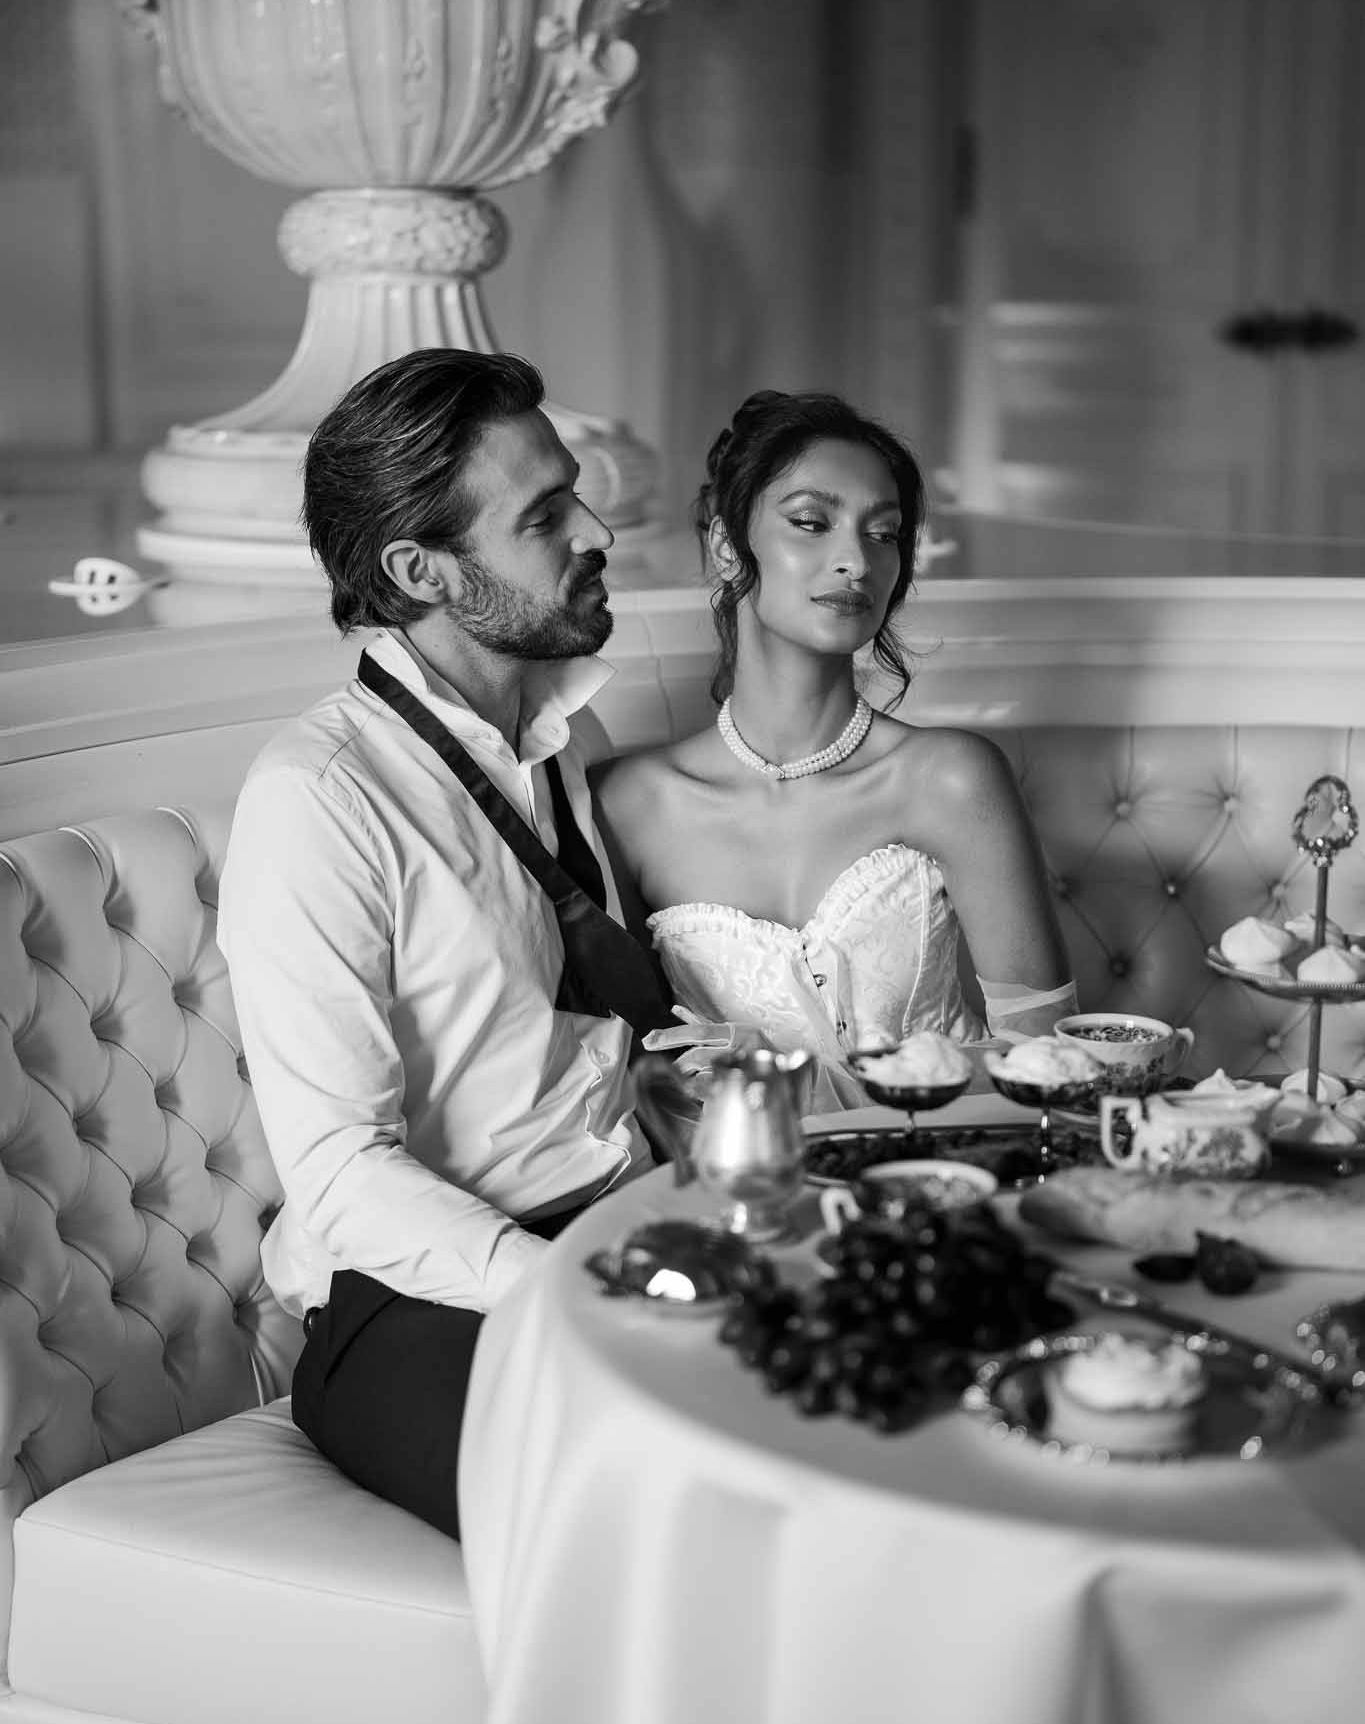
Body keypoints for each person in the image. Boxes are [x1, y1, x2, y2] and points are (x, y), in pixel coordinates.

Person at [218, 347, 673, 1541]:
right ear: (421, 569)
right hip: (416, 1299)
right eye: (544, 515)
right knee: (641, 1505)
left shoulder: (561, 733)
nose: (595, 530)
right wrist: (566, 1290)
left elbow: (558, 1042)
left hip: (611, 1218)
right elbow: (339, 1173)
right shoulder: (317, 797)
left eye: (574, 493)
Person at [591, 387, 1075, 1112]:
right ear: (727, 546)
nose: (855, 560)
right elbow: (634, 1076)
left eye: (883, 534)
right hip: (742, 1194)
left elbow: (1049, 1062)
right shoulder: (628, 804)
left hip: (946, 1174)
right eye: (811, 523)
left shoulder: (949, 779)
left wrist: (800, 1082)